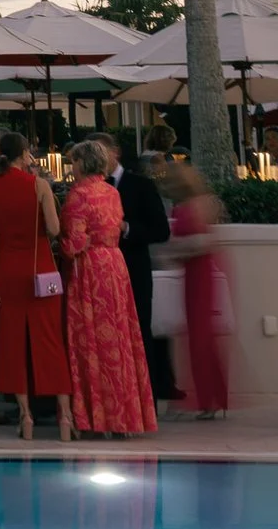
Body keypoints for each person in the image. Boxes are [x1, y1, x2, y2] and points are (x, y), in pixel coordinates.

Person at [59, 140, 157, 439]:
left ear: (82, 163)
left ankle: (94, 415)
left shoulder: (78, 196)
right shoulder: (112, 192)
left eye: (73, 161)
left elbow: (73, 244)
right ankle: (124, 415)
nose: (71, 166)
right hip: (115, 266)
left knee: (88, 339)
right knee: (120, 338)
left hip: (89, 269)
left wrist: (59, 243)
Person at [0, 132, 72, 443]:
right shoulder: (39, 185)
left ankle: (25, 414)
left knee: (13, 343)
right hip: (41, 268)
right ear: (25, 154)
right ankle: (65, 415)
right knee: (50, 339)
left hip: (7, 271)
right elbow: (54, 229)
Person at [156, 162, 232, 419]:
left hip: (200, 275)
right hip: (193, 275)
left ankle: (210, 401)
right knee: (198, 339)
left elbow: (204, 241)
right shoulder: (194, 204)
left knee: (202, 339)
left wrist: (177, 249)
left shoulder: (196, 205)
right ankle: (210, 399)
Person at [105, 136, 175, 403]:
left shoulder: (141, 186)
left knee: (140, 332)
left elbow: (161, 230)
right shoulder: (91, 188)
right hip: (103, 276)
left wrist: (128, 229)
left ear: (115, 153)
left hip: (134, 270)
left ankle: (145, 398)